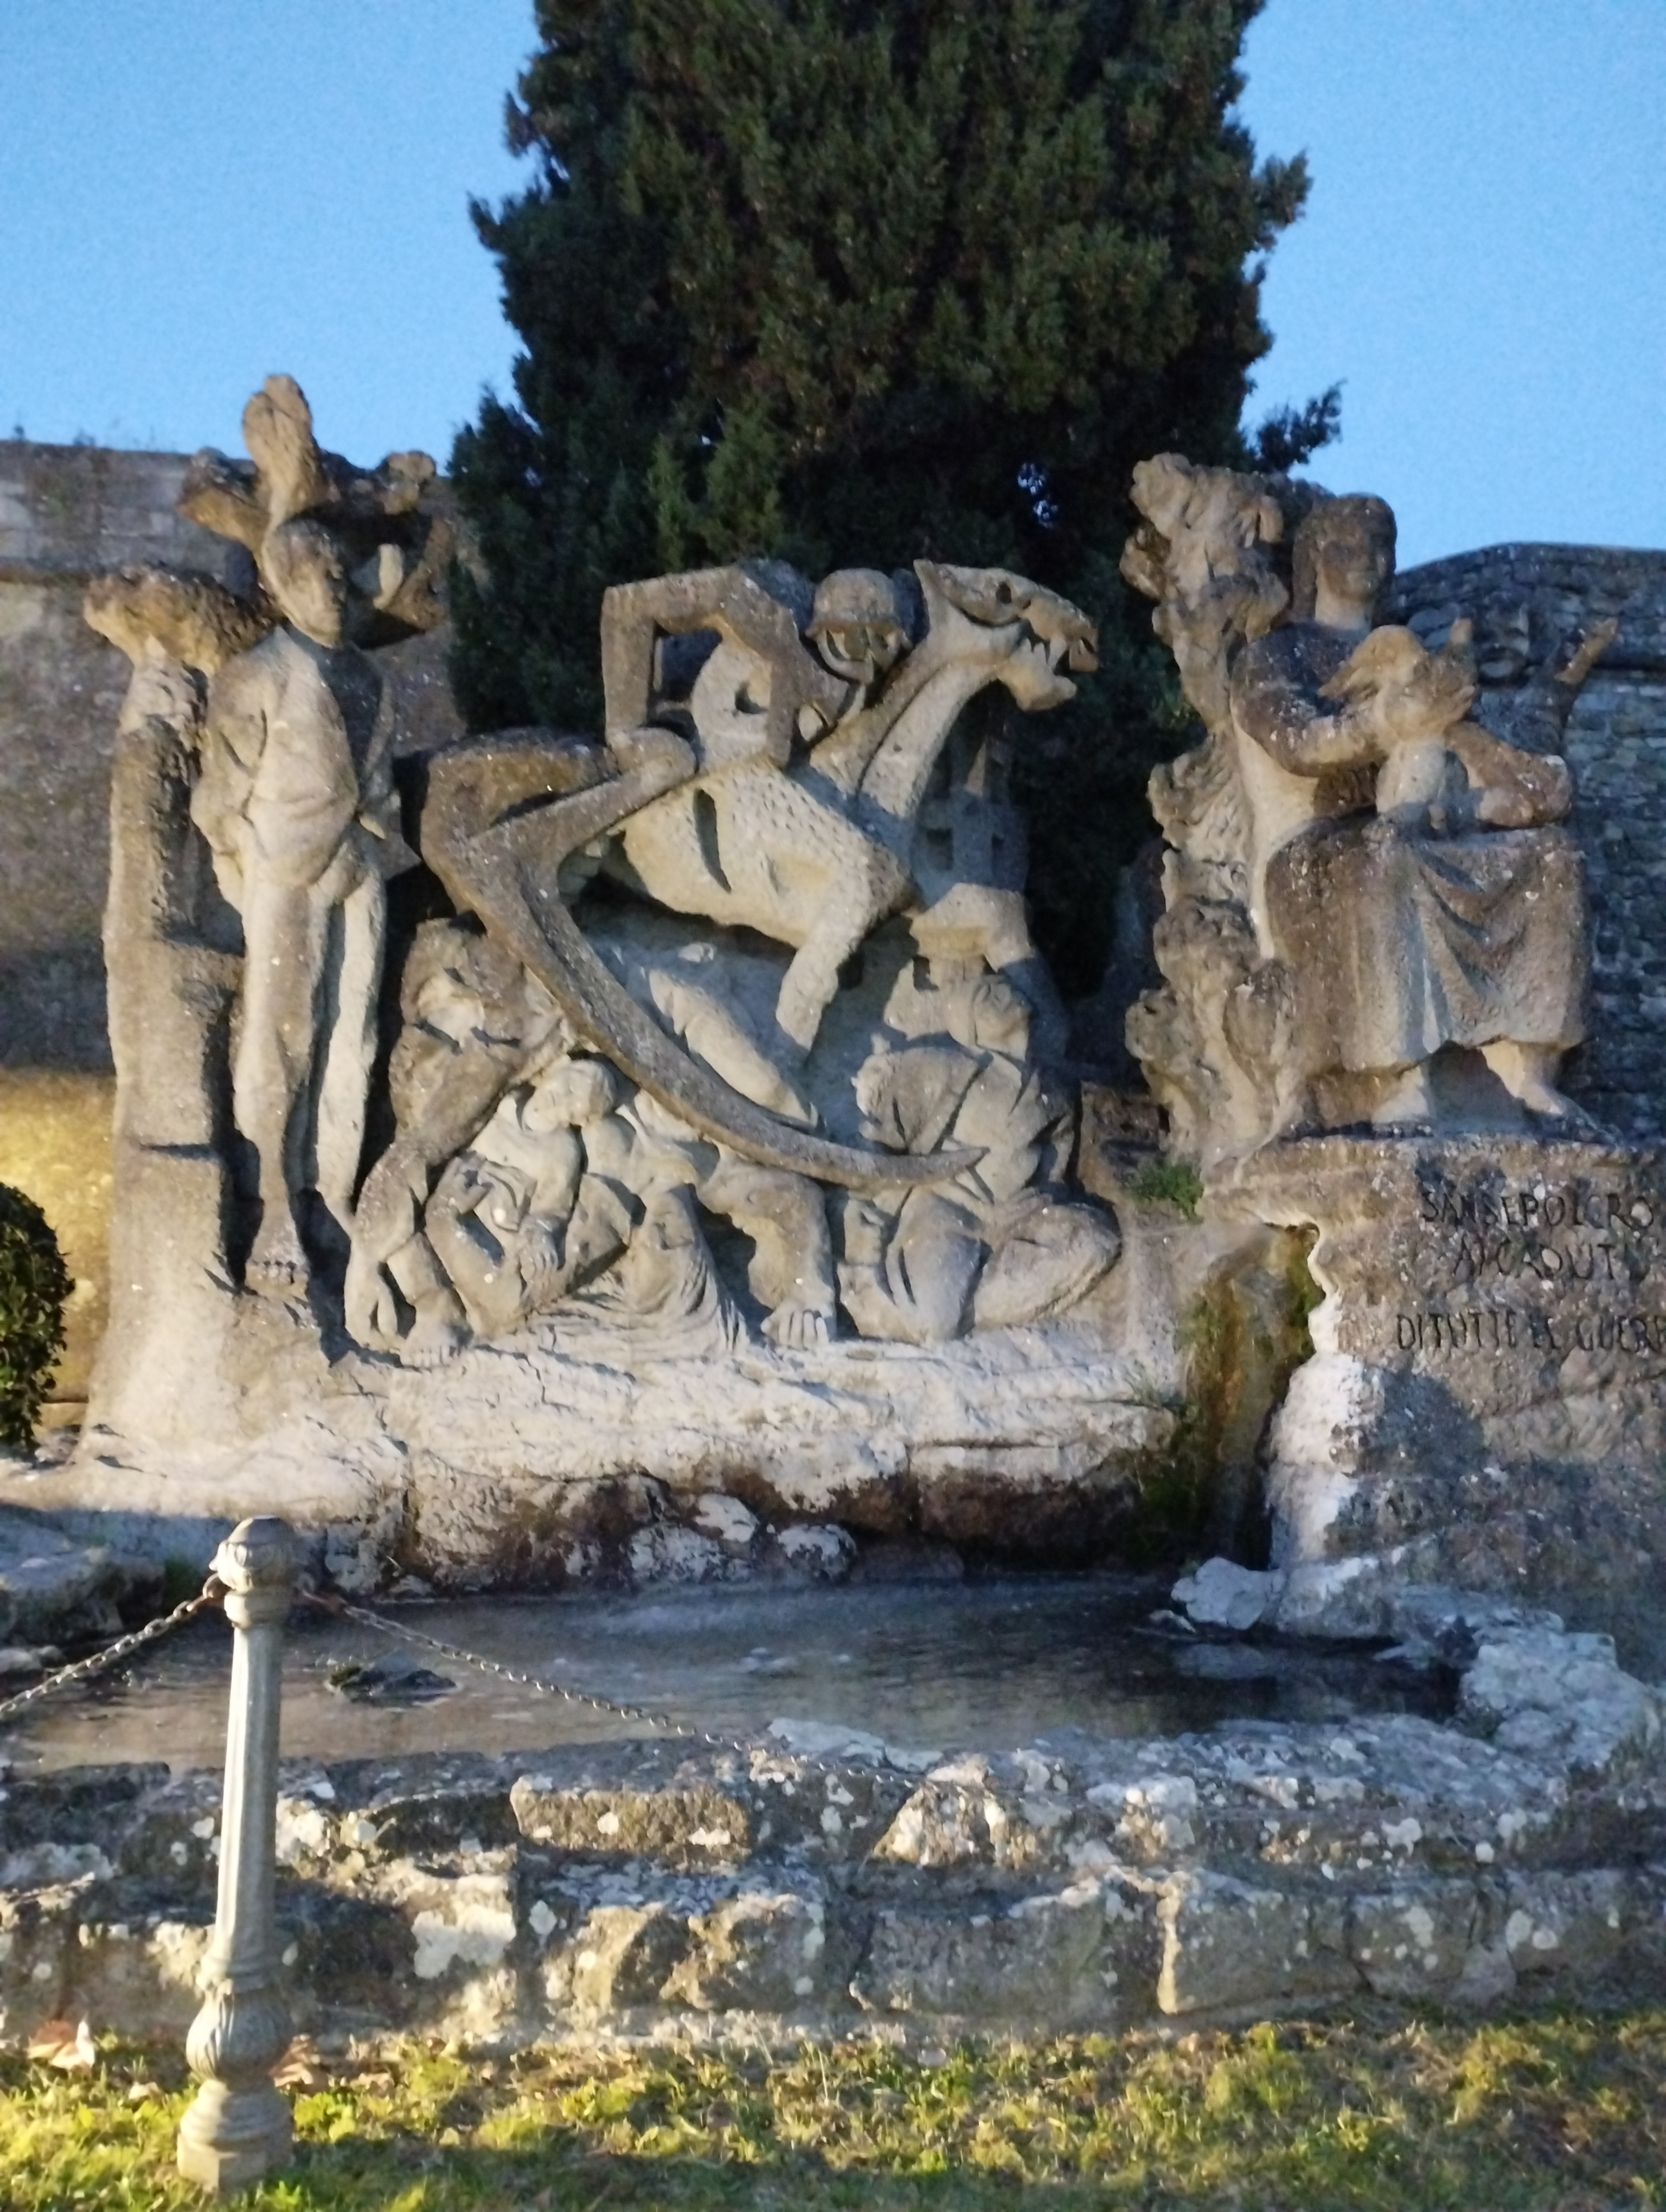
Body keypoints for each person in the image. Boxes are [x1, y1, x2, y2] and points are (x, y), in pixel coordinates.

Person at [1227, 495, 1587, 1127]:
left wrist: (1513, 778)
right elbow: (1300, 742)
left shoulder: (1422, 664)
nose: (1366, 557)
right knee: (1382, 851)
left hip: (1425, 828)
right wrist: (1390, 718)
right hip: (1317, 850)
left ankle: (1524, 1069)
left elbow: (1476, 751)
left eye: (1379, 544)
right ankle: (1397, 1076)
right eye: (1346, 544)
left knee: (1550, 857)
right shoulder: (1274, 657)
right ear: (1314, 559)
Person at [192, 515, 414, 1292]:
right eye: (314, 573)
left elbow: (377, 783)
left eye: (338, 571)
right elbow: (216, 798)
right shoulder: (254, 674)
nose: (333, 586)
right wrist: (251, 869)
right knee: (281, 1040)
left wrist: (373, 843)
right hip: (283, 872)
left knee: (352, 1036)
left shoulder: (374, 678)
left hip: (360, 868)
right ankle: (273, 1203)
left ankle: (330, 1193)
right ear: (281, 588)